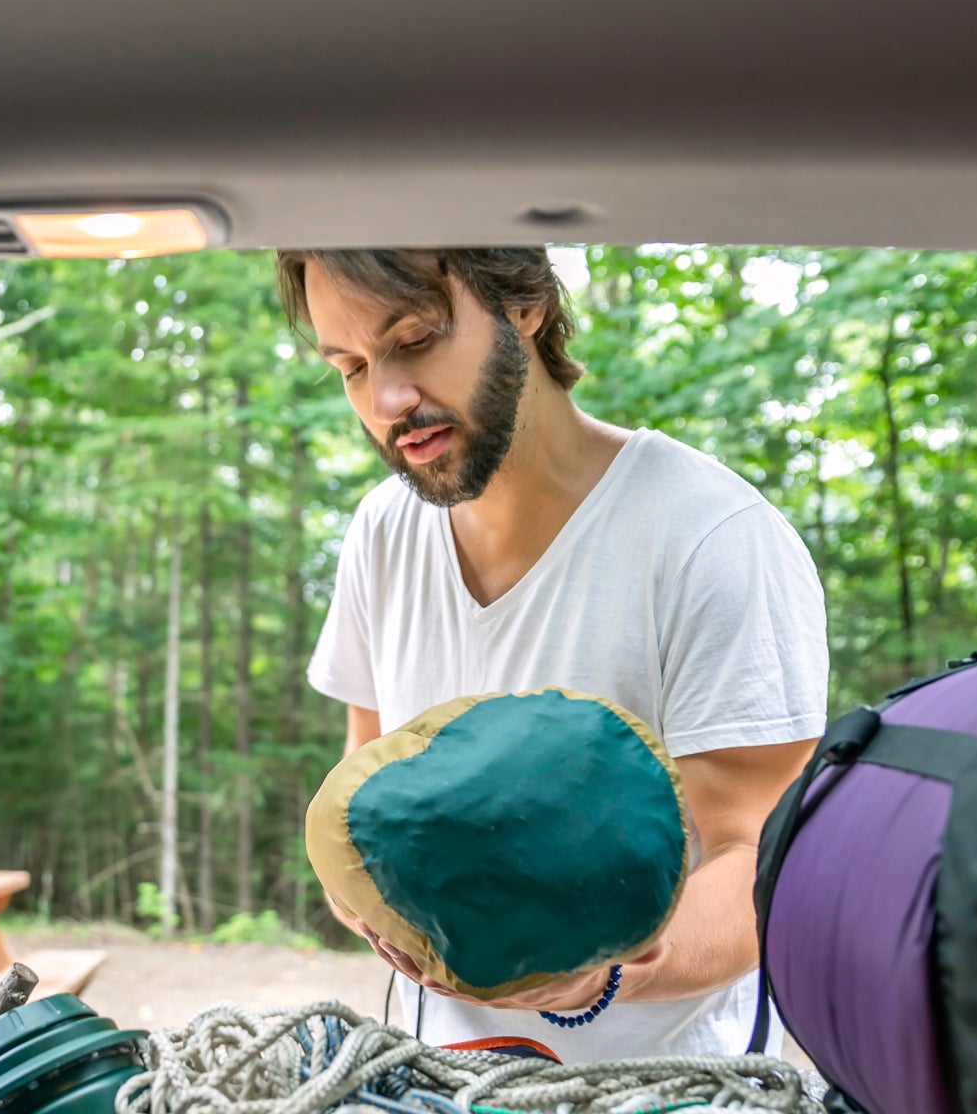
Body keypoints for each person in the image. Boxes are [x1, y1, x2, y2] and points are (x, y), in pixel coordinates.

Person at [277, 247, 828, 1060]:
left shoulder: (710, 536)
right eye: (351, 367)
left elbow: (761, 867)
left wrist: (605, 974)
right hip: (447, 1091)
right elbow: (363, 772)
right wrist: (365, 899)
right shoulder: (382, 533)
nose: (387, 399)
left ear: (523, 302)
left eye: (418, 338)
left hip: (674, 1107)